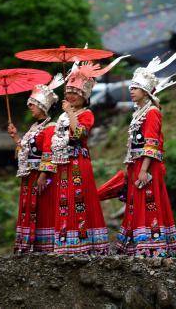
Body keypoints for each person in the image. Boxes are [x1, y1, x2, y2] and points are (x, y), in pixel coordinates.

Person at [41, 58, 125, 254]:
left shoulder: (86, 114)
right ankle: (65, 242)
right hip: (62, 164)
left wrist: (70, 113)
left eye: (75, 93)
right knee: (63, 200)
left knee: (78, 199)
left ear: (84, 96)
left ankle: (83, 244)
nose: (70, 95)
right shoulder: (62, 116)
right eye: (68, 92)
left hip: (78, 163)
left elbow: (78, 135)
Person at [117, 48, 176, 257]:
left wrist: (144, 169)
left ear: (146, 91)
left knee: (149, 202)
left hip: (148, 165)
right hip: (137, 164)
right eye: (131, 87)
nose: (131, 91)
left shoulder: (152, 112)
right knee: (137, 203)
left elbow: (151, 144)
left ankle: (152, 247)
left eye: (136, 88)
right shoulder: (138, 112)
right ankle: (137, 246)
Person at [7, 76, 63, 254]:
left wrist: (43, 175)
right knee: (28, 208)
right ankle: (27, 245)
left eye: (33, 103)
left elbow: (49, 152)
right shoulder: (34, 127)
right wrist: (16, 137)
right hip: (29, 176)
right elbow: (24, 150)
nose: (29, 106)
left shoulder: (51, 127)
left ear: (43, 106)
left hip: (40, 176)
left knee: (42, 209)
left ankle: (43, 247)